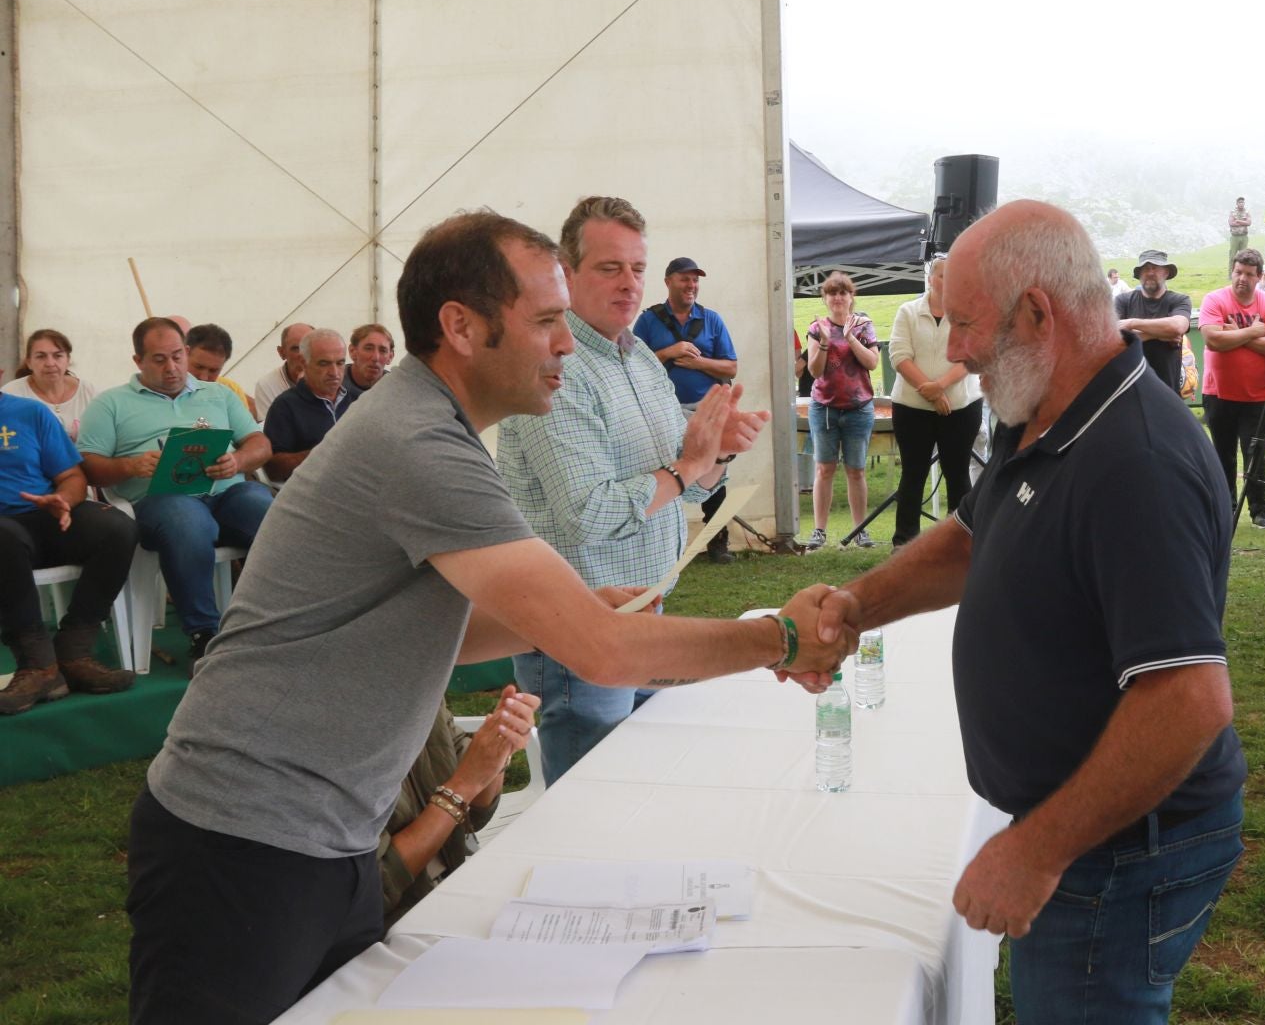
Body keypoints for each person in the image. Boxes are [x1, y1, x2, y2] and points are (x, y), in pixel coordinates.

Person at [125, 210, 850, 1025]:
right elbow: (603, 655)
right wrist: (778, 636)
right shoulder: (419, 443)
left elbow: (426, 625)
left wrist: (566, 614)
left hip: (316, 842)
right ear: (461, 328)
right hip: (242, 848)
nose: (567, 344)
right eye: (546, 321)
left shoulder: (432, 428)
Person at [791, 200, 1244, 1025]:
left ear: (1038, 312)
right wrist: (858, 605)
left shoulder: (1135, 462)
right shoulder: (1038, 404)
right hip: (1084, 832)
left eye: (965, 323)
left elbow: (1188, 699)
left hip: (1117, 851)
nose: (955, 348)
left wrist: (1037, 853)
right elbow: (972, 536)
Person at [502, 198, 740, 782]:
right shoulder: (554, 367)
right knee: (593, 805)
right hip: (578, 627)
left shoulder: (639, 361)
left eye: (638, 268)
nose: (629, 283)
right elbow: (589, 513)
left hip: (644, 619)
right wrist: (687, 467)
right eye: (610, 268)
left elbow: (677, 490)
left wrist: (716, 453)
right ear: (566, 271)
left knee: (644, 789)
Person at [78, 318, 274, 667]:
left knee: (271, 512)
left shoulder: (219, 394)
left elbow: (260, 443)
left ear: (186, 352)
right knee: (188, 522)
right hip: (159, 500)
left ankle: (274, 620)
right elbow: (88, 466)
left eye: (176, 356)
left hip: (226, 492)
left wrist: (238, 459)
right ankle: (205, 634)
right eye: (158, 359)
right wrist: (129, 466)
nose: (171, 368)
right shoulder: (111, 403)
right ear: (138, 361)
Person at [0, 389, 140, 715]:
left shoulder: (30, 412)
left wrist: (64, 500)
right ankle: (38, 666)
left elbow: (71, 475)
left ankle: (73, 652)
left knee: (117, 528)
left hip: (45, 514)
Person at [380, 690, 538, 927]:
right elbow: (378, 886)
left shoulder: (419, 692)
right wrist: (464, 786)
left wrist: (499, 749)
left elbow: (475, 815)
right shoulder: (327, 740)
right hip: (390, 928)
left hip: (454, 887)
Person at [635, 256, 741, 564]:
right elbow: (629, 364)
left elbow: (731, 365)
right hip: (659, 412)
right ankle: (660, 542)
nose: (691, 285)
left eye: (695, 280)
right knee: (663, 472)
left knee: (714, 473)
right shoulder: (648, 321)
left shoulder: (712, 320)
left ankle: (717, 542)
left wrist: (699, 363)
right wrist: (669, 352)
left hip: (705, 411)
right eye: (685, 279)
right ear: (668, 281)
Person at [887, 254, 983, 548]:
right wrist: (929, 391)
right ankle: (904, 544)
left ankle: (961, 544)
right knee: (913, 474)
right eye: (943, 275)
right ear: (930, 279)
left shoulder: (968, 313)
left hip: (961, 407)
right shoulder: (908, 311)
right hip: (911, 408)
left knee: (957, 474)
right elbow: (898, 355)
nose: (948, 281)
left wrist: (940, 387)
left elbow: (972, 356)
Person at [1200, 249, 1265, 529]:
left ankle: (1260, 511)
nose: (1242, 279)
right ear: (1232, 272)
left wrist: (1233, 334)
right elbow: (1213, 340)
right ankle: (1226, 507)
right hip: (1218, 392)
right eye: (1238, 272)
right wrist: (1253, 332)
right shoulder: (1214, 299)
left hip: (1258, 393)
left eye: (1249, 274)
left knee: (1255, 453)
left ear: (1259, 277)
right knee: (1222, 452)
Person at [804, 272, 880, 550]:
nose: (838, 298)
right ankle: (819, 531)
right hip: (824, 408)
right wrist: (825, 342)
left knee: (856, 470)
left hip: (859, 408)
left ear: (851, 297)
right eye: (832, 293)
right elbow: (814, 370)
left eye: (843, 293)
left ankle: (860, 530)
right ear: (825, 298)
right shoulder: (817, 327)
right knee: (824, 469)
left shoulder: (863, 324)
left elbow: (872, 362)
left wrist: (850, 338)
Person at [262, 329, 356, 484]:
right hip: (311, 491)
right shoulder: (285, 406)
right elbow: (273, 470)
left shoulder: (357, 400)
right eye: (324, 363)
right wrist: (323, 451)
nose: (334, 372)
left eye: (340, 363)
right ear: (304, 363)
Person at [1114, 249, 1191, 397]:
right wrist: (1158, 334)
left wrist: (1131, 323)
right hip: (1129, 389)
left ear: (1166, 272)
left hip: (1167, 390)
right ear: (1139, 274)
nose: (1149, 273)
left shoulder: (1179, 300)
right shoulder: (1122, 301)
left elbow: (1177, 327)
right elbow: (1113, 339)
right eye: (1145, 269)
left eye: (1155, 268)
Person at [5, 328, 96, 440]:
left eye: (58, 356)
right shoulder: (11, 394)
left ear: (68, 360)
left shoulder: (89, 392)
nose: (50, 363)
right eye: (41, 356)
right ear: (29, 362)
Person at [184, 324, 255, 414]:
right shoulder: (164, 390)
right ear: (183, 355)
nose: (204, 377)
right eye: (199, 367)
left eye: (213, 371)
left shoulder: (231, 391)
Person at [251, 323, 314, 421]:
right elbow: (274, 432)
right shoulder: (267, 385)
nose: (303, 355)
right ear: (281, 353)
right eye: (296, 349)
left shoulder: (335, 378)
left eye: (308, 347)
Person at [347, 324, 395, 393]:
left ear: (390, 356)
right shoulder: (333, 385)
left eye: (383, 350)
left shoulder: (397, 388)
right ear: (353, 351)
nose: (375, 358)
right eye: (368, 349)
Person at [1226, 196, 1252, 265]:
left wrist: (1237, 221)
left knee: (1243, 257)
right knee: (1232, 256)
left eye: (1242, 202)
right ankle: (1231, 275)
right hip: (1235, 237)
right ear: (1237, 203)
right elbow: (1231, 223)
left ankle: (1242, 274)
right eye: (1240, 202)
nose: (1241, 204)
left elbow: (1249, 223)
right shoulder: (1232, 212)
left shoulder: (1247, 212)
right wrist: (1243, 222)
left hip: (1244, 237)